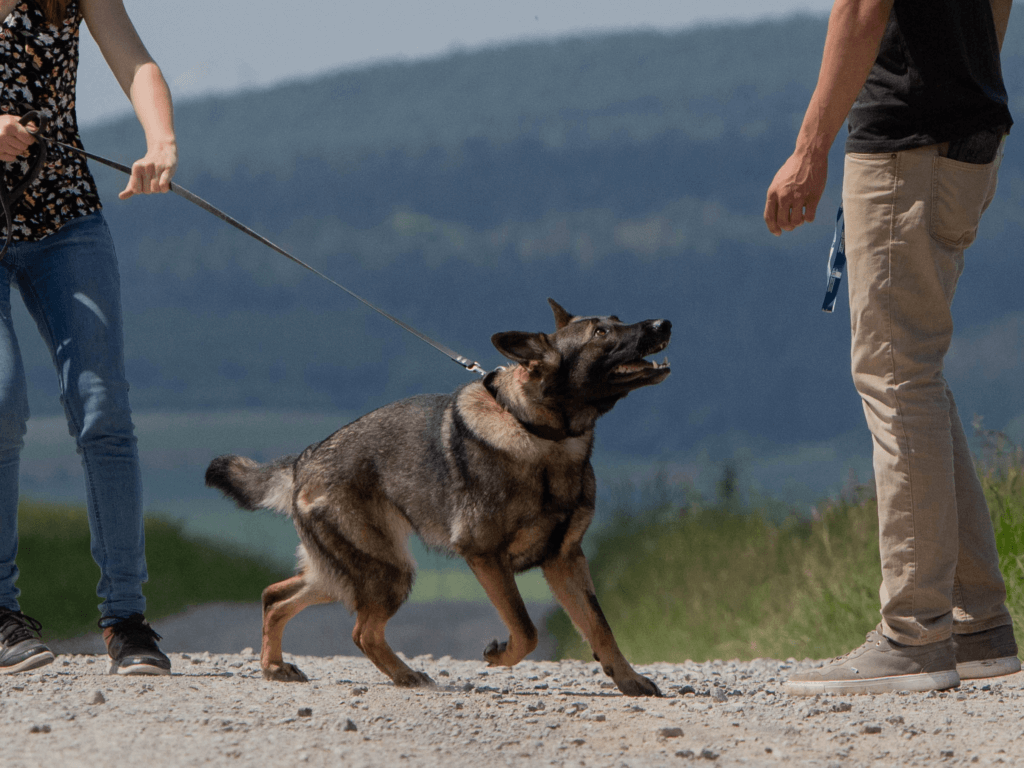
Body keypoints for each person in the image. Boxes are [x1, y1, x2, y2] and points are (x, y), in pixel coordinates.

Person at [764, 0, 1020, 695]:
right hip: (970, 133)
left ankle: (916, 634)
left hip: (907, 140)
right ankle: (978, 623)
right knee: (916, 371)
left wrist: (809, 149)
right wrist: (966, 82)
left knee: (896, 375)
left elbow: (860, 6)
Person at [0, 0, 176, 675]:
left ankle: (126, 620)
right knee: (3, 402)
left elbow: (136, 63)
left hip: (65, 215)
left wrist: (160, 143)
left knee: (104, 409)